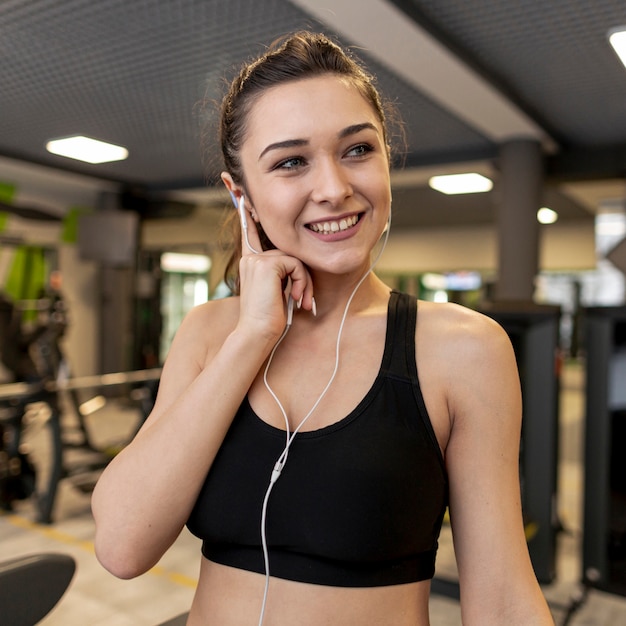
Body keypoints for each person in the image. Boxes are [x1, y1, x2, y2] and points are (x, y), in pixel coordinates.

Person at [92, 31, 554, 625]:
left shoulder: (464, 350)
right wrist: (253, 335)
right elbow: (123, 546)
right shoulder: (211, 334)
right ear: (243, 198)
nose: (335, 189)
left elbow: (502, 599)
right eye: (290, 162)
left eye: (358, 150)